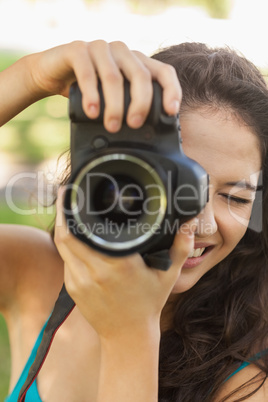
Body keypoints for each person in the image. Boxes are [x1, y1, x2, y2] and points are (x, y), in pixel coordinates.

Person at [0, 39, 268, 402]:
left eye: (235, 198)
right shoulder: (36, 273)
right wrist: (29, 77)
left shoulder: (248, 383)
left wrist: (130, 334)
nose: (199, 223)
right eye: (176, 184)